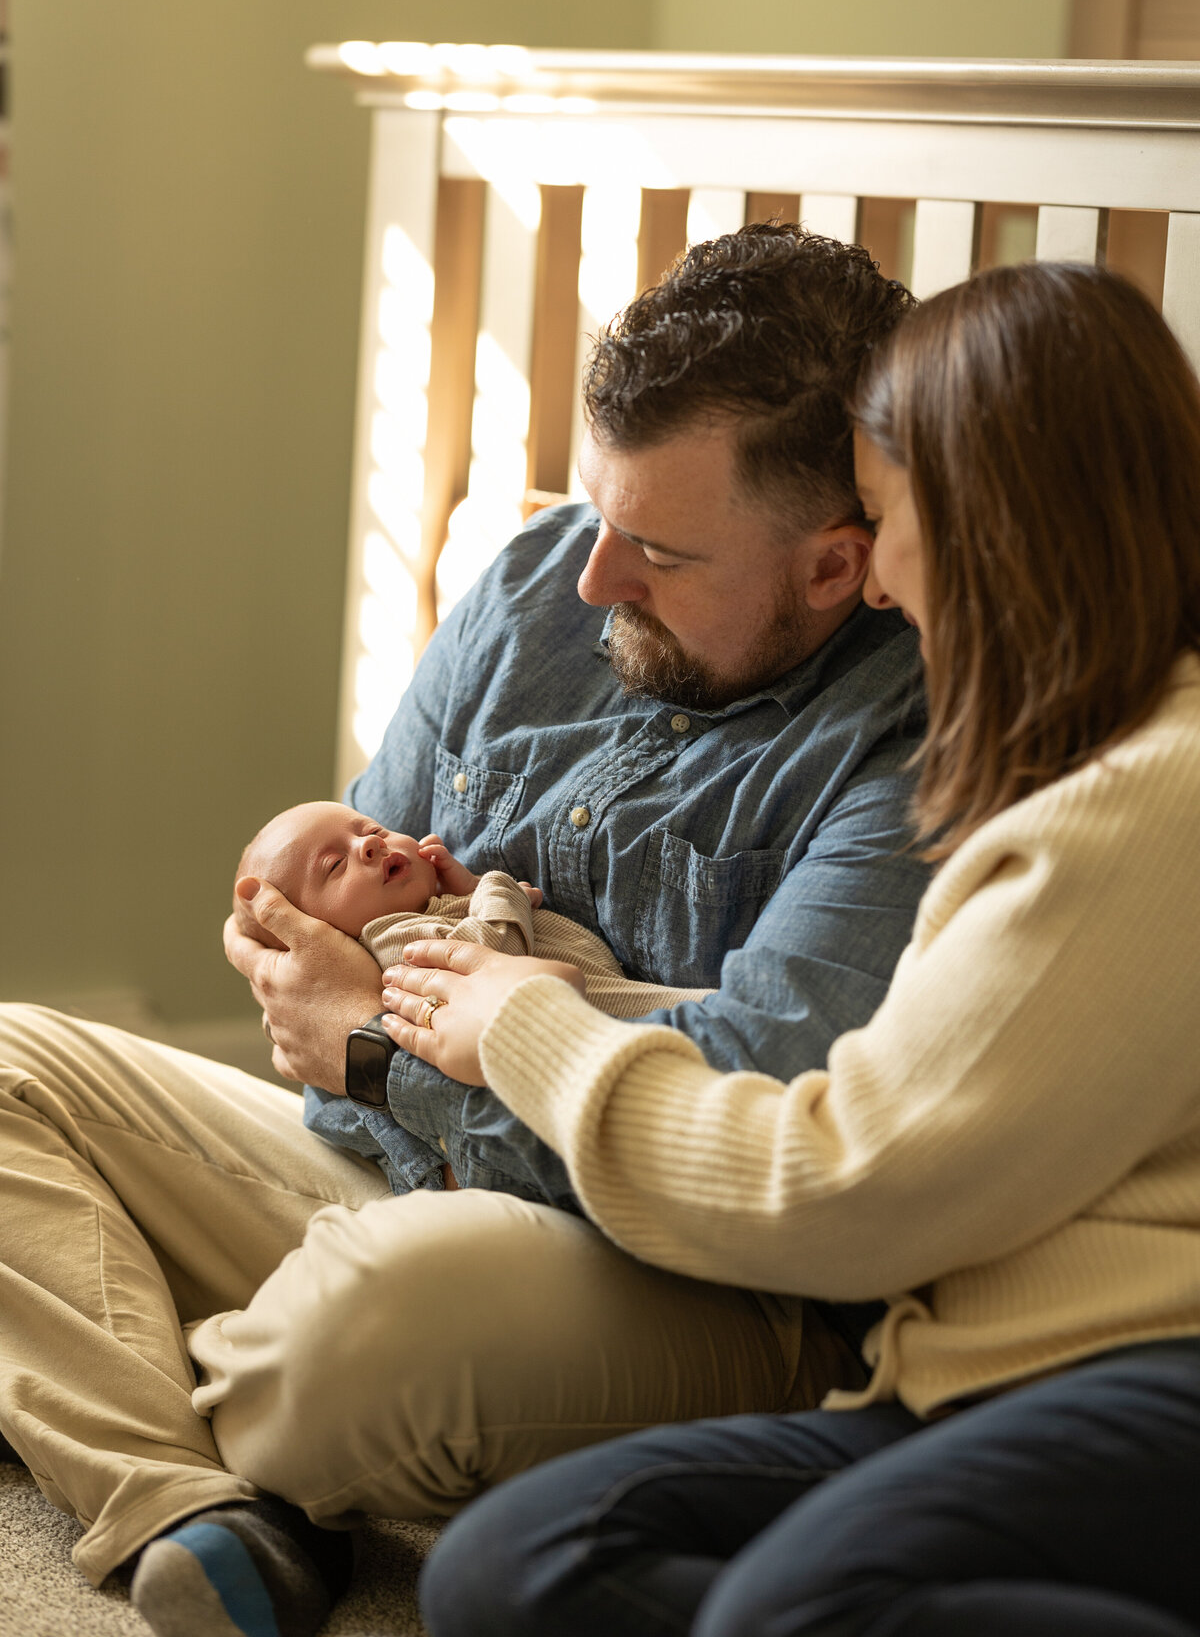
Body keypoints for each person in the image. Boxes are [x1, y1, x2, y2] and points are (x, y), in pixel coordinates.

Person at [0, 226, 924, 1637]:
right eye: (597, 509)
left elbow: (744, 1137)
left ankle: (87, 1363)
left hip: (683, 1277)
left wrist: (382, 1059)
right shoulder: (533, 584)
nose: (593, 579)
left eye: (661, 552)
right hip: (389, 1175)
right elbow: (327, 943)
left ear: (831, 565)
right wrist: (314, 982)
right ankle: (183, 1503)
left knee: (367, 1325)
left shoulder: (915, 730)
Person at [385, 261, 1200, 1637]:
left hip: (1134, 1368)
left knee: (792, 1607)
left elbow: (841, 1182)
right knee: (508, 1564)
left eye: (886, 521)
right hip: (946, 1378)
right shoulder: (1064, 773)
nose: (873, 577)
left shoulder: (1149, 802)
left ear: (996, 528)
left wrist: (526, 1024)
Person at [242, 800, 705, 1201]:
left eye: (373, 830)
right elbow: (500, 972)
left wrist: (464, 892)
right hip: (618, 1027)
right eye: (334, 866)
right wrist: (497, 891)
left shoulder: (421, 920)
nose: (369, 845)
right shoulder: (394, 944)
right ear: (318, 938)